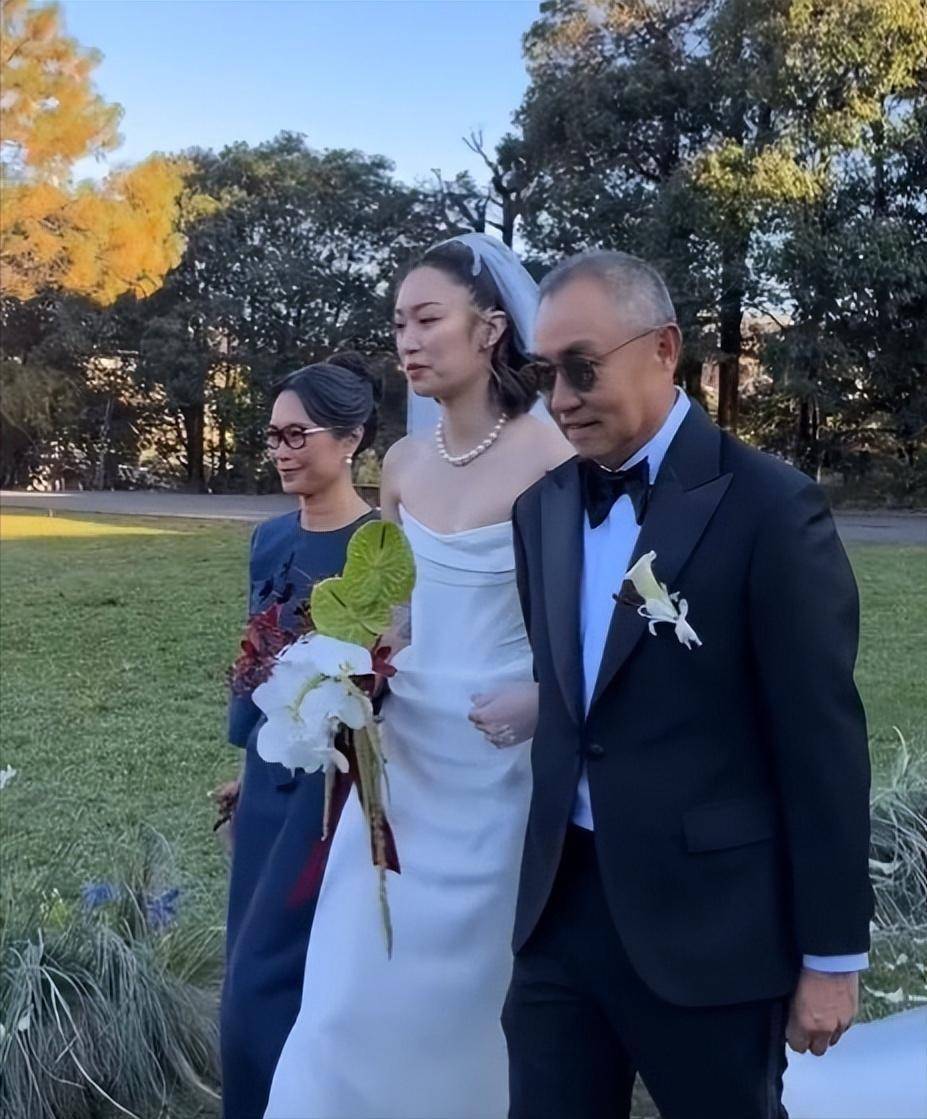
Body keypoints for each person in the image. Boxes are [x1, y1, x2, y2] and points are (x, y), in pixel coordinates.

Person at [503, 250, 874, 1119]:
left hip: (712, 927)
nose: (559, 398)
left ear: (663, 348)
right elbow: (569, 699)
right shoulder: (540, 509)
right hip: (559, 913)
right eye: (542, 373)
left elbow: (820, 742)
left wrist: (830, 955)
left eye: (581, 367)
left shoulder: (770, 508)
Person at [263, 233, 571, 1119]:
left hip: (497, 761)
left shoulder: (554, 460)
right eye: (398, 322)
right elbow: (396, 612)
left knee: (462, 999)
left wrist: (546, 698)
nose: (407, 339)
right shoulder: (400, 462)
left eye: (427, 319)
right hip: (401, 755)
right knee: (350, 984)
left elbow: (592, 623)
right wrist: (339, 674)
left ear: (489, 329)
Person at [220, 353, 378, 1119]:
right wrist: (243, 772)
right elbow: (256, 662)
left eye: (297, 435)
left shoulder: (382, 547)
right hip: (265, 785)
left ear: (350, 438)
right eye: (272, 435)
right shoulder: (268, 539)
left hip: (334, 794)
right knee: (246, 968)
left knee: (270, 982)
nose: (280, 451)